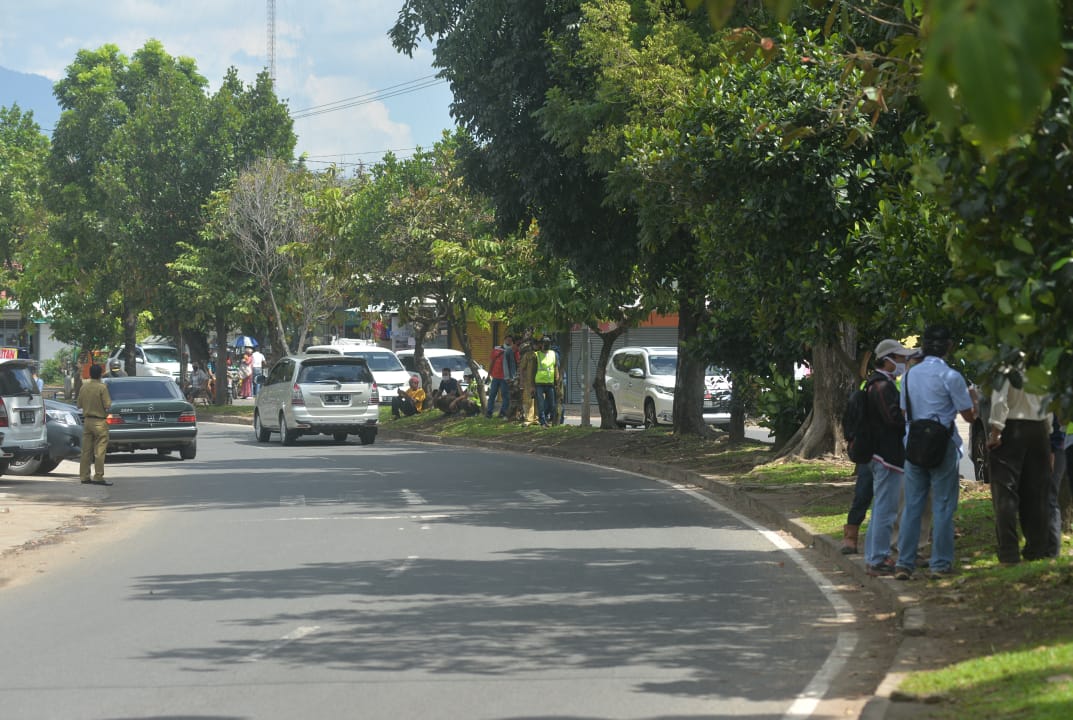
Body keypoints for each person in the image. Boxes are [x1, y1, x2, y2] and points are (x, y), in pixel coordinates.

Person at [895, 325, 978, 580]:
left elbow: (903, 413)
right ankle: (940, 564)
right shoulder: (952, 377)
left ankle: (904, 563)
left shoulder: (908, 376)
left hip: (914, 443)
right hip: (942, 445)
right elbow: (968, 416)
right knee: (942, 506)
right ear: (949, 347)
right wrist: (973, 400)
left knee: (912, 506)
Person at [986, 369, 1052, 564]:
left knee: (1005, 492)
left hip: (1012, 427)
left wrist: (996, 431)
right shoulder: (1043, 366)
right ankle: (1037, 548)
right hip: (1039, 429)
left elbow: (1000, 399)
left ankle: (1009, 551)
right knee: (1037, 492)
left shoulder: (1007, 366)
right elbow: (1049, 403)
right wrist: (1047, 431)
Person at [860, 339, 913, 576]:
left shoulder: (878, 384)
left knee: (881, 507)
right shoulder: (882, 386)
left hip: (880, 454)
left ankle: (874, 556)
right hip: (886, 456)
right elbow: (893, 420)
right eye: (901, 358)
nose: (903, 362)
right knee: (886, 509)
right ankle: (877, 559)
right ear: (889, 359)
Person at [77, 363, 112, 486]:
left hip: (87, 422)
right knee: (99, 451)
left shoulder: (84, 387)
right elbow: (107, 405)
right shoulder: (102, 387)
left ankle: (84, 476)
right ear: (100, 374)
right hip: (99, 422)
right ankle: (98, 477)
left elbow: (79, 405)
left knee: (86, 451)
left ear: (90, 373)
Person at [486, 334, 518, 418]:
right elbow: (491, 362)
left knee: (505, 396)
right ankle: (489, 412)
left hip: (505, 378)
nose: (508, 341)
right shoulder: (497, 349)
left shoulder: (513, 351)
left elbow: (514, 364)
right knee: (492, 395)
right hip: (495, 376)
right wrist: (488, 375)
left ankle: (503, 412)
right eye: (507, 339)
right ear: (504, 340)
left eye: (510, 340)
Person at [533, 335, 559, 427]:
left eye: (548, 343)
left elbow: (556, 368)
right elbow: (533, 370)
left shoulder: (553, 354)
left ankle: (548, 419)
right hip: (539, 383)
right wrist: (532, 385)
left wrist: (557, 381)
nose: (547, 345)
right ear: (541, 344)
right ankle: (543, 422)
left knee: (551, 404)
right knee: (540, 404)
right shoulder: (537, 355)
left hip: (550, 383)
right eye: (545, 343)